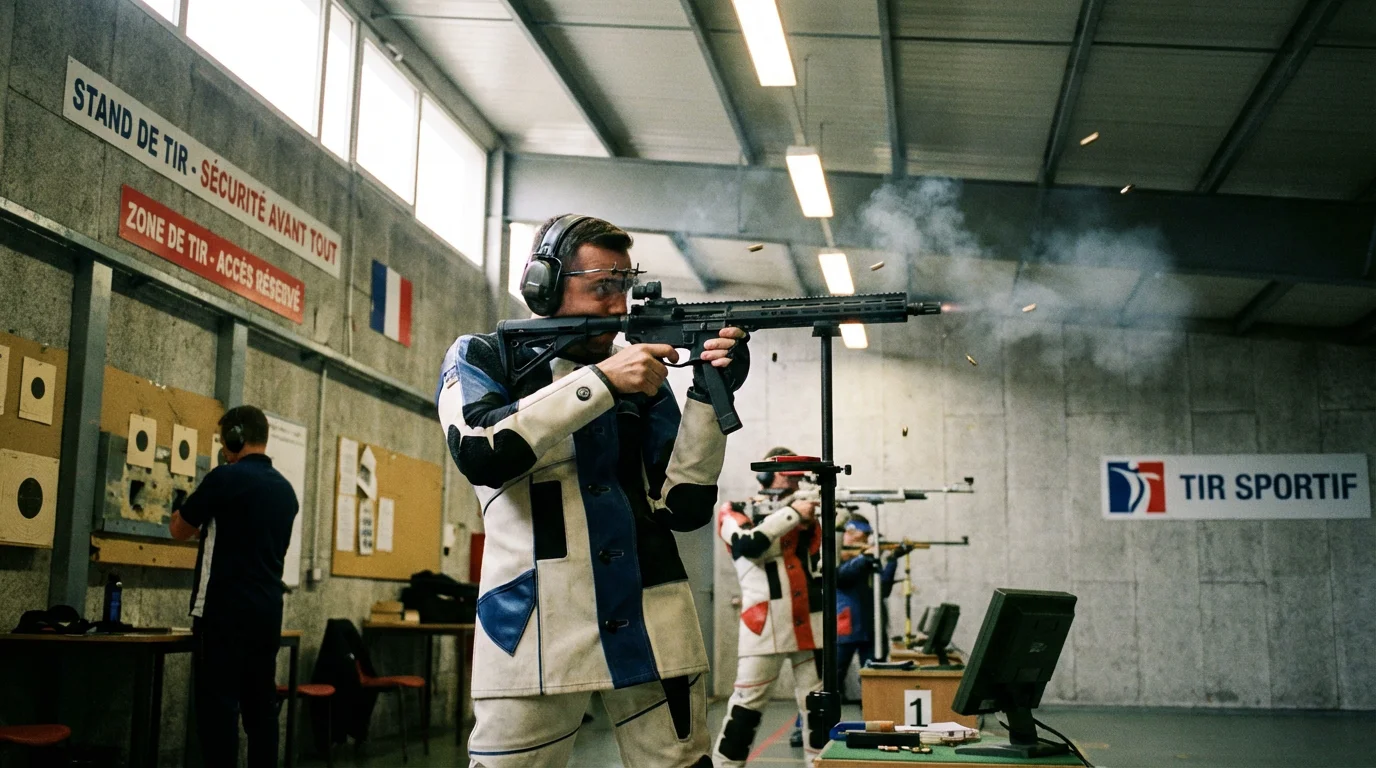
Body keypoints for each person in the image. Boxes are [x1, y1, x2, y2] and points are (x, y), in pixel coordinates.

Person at [438, 214, 749, 768]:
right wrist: (604, 381)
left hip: (654, 621)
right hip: (532, 626)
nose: (618, 305)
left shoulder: (642, 377)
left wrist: (707, 394)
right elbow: (481, 449)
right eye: (602, 286)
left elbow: (684, 506)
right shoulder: (484, 355)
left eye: (624, 287)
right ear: (544, 287)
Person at [169, 405, 298, 768]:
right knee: (261, 710)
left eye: (225, 439)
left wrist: (179, 506)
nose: (224, 447)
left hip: (223, 614)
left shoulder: (224, 479)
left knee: (218, 713)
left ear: (236, 437)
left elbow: (179, 530)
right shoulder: (286, 492)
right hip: (267, 613)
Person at [713, 447, 824, 767]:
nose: (794, 484)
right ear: (765, 476)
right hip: (763, 624)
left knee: (817, 708)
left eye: (797, 479)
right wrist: (791, 514)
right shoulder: (734, 510)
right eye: (787, 477)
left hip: (810, 622)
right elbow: (749, 545)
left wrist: (813, 514)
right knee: (747, 707)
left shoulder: (806, 514)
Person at [835, 515, 911, 686]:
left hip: (873, 625)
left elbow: (883, 590)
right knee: (834, 676)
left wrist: (892, 560)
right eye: (856, 536)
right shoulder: (837, 556)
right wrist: (865, 558)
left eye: (864, 537)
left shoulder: (867, 561)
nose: (863, 541)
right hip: (845, 624)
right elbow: (840, 577)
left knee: (874, 680)